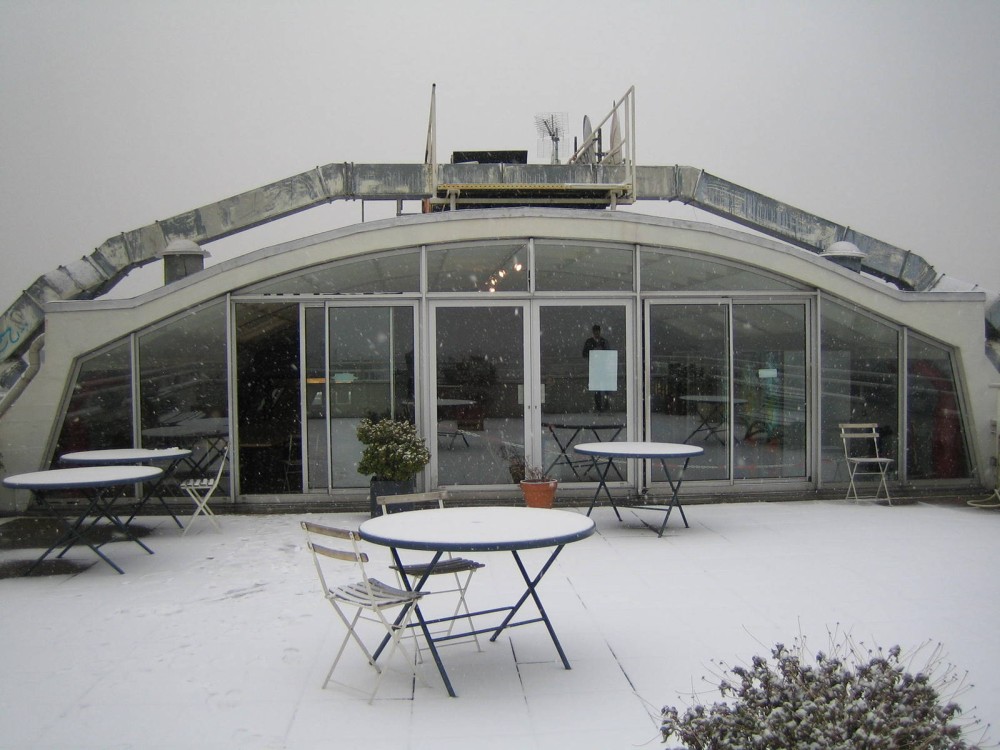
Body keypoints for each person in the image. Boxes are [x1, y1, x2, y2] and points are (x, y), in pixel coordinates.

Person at [582, 324, 609, 412]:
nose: (597, 333)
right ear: (593, 332)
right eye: (595, 332)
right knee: (598, 388)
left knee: (604, 388)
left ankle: (604, 406)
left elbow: (608, 353)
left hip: (601, 368)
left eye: (597, 331)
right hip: (596, 368)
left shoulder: (602, 341)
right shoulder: (592, 342)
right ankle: (599, 407)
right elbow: (584, 354)